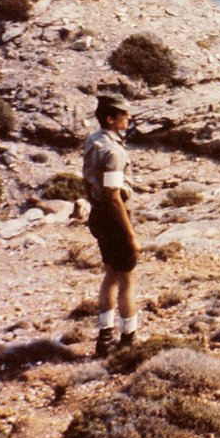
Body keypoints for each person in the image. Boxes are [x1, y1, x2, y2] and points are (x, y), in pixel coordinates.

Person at [82, 94, 140, 356]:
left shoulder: (94, 140)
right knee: (127, 279)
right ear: (110, 118)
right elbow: (114, 195)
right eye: (124, 115)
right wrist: (130, 235)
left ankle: (104, 337)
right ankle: (128, 339)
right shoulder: (114, 151)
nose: (128, 118)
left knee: (111, 274)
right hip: (114, 217)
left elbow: (88, 179)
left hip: (97, 214)